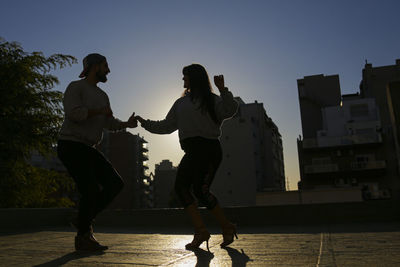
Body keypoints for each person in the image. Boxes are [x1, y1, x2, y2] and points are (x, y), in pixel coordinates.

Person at [136, 64, 239, 250]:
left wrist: (223, 89)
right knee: (182, 188)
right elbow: (166, 126)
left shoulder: (213, 100)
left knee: (201, 190)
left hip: (209, 151)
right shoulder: (180, 104)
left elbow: (231, 110)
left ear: (194, 78)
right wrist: (145, 123)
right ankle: (203, 230)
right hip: (192, 152)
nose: (183, 80)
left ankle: (225, 227)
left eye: (186, 77)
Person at [57, 53, 137, 251]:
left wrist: (126, 124)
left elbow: (108, 122)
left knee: (115, 183)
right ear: (94, 67)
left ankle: (82, 218)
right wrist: (100, 112)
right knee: (90, 189)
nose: (108, 70)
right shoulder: (76, 87)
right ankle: (83, 236)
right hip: (70, 145)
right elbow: (74, 114)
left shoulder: (103, 96)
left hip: (88, 148)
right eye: (105, 66)